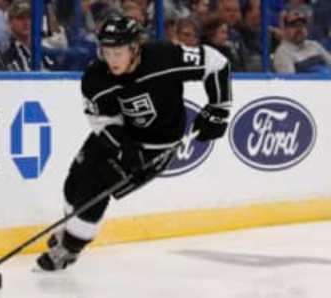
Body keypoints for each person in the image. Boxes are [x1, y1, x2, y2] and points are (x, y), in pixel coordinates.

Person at [35, 14, 232, 271]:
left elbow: (217, 64)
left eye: (118, 52)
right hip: (119, 133)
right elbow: (101, 121)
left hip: (156, 148)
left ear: (135, 47)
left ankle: (70, 248)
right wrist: (123, 148)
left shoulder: (165, 57)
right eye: (107, 51)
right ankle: (72, 229)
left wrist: (219, 107)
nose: (112, 59)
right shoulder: (96, 78)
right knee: (74, 183)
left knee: (94, 191)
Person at [274, 9, 331, 73]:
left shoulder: (314, 45)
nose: (299, 29)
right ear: (284, 30)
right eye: (294, 25)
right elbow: (291, 81)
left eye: (302, 25)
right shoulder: (283, 53)